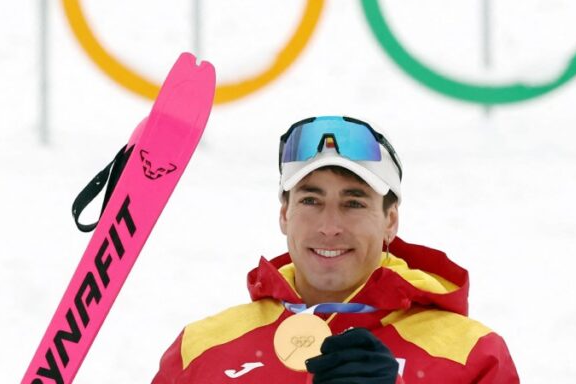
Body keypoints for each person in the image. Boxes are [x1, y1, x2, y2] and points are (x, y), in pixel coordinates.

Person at [151, 115, 519, 383]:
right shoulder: (201, 348)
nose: (329, 227)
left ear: (390, 220)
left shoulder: (470, 354)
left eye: (354, 203)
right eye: (311, 200)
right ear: (284, 214)